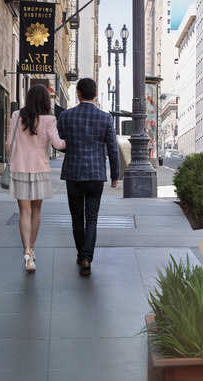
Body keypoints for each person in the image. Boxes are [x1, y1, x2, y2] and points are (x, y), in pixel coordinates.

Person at [58, 78, 119, 276]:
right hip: (95, 174)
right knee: (92, 217)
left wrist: (71, 146)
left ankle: (81, 253)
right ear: (95, 94)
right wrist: (115, 175)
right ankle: (87, 258)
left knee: (76, 217)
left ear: (78, 93)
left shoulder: (66, 116)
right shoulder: (105, 118)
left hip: (73, 173)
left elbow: (57, 143)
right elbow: (112, 149)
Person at [6, 85, 66, 273]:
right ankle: (31, 249)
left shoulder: (16, 116)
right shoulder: (49, 120)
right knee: (36, 211)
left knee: (24, 212)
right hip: (40, 169)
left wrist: (15, 156)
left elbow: (9, 144)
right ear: (46, 101)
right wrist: (70, 140)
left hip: (19, 169)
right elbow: (58, 144)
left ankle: (26, 252)